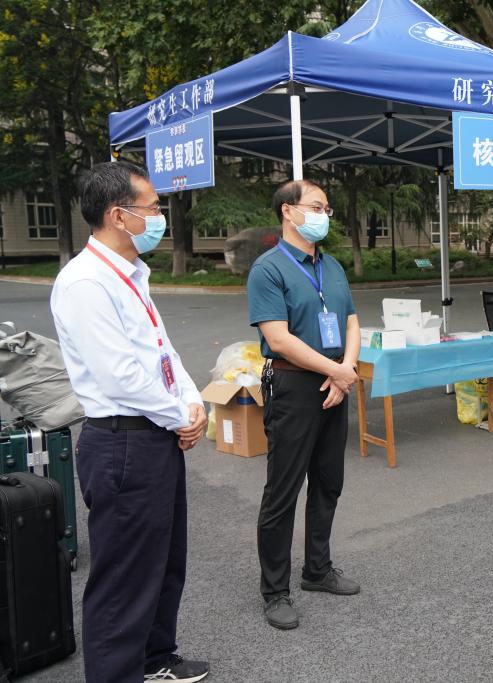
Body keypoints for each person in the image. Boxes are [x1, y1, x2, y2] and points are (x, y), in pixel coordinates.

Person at [49, 161, 209, 683]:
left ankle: (155, 658)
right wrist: (179, 417)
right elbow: (119, 377)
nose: (160, 217)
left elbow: (162, 353)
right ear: (119, 215)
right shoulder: (85, 283)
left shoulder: (131, 273)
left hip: (155, 436)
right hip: (122, 443)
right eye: (153, 208)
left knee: (163, 561)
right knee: (123, 578)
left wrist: (192, 403)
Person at [247, 180, 362, 630]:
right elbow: (278, 339)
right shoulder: (269, 268)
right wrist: (337, 371)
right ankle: (275, 590)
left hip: (336, 383)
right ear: (288, 212)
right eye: (316, 206)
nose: (324, 215)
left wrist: (345, 370)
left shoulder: (331, 265)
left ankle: (317, 569)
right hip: (294, 385)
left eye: (327, 208)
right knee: (283, 490)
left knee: (329, 483)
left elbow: (351, 322)